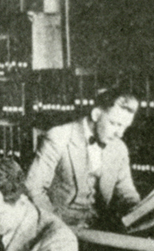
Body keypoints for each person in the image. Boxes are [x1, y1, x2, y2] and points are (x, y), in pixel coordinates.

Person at [26, 87, 141, 228]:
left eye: (124, 127)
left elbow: (126, 192)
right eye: (115, 123)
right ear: (96, 114)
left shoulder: (119, 148)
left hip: (98, 228)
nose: (120, 133)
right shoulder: (59, 137)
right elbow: (33, 188)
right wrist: (55, 226)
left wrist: (140, 210)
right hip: (60, 226)